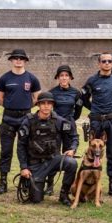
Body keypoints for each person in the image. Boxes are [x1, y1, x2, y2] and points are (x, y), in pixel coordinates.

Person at [17, 91, 78, 205]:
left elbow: (74, 136)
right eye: (43, 103)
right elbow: (21, 145)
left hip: (53, 160)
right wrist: (24, 167)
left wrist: (72, 149)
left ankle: (64, 195)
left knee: (72, 163)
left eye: (49, 103)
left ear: (52, 105)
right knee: (36, 199)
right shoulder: (29, 121)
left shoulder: (59, 121)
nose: (46, 106)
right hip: (35, 163)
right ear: (38, 105)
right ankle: (35, 185)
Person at [0, 48, 41, 194]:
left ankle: (26, 181)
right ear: (11, 60)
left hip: (25, 118)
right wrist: (11, 106)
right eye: (15, 58)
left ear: (25, 61)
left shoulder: (32, 79)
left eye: (21, 58)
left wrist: (25, 107)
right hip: (8, 118)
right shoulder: (4, 78)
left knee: (26, 150)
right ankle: (3, 182)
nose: (18, 60)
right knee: (6, 151)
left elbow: (37, 99)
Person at [81, 52, 112, 197]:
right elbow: (83, 98)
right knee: (93, 150)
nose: (106, 63)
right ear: (99, 63)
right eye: (104, 61)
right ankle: (90, 181)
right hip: (96, 120)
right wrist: (95, 109)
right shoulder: (92, 80)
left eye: (109, 61)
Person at [46, 64, 83, 195]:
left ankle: (66, 187)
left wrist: (70, 120)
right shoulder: (52, 92)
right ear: (57, 77)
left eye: (66, 75)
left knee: (69, 155)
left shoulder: (76, 93)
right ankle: (49, 185)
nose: (64, 78)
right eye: (61, 75)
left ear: (70, 77)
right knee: (53, 155)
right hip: (55, 125)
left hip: (69, 125)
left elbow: (78, 112)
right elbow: (49, 110)